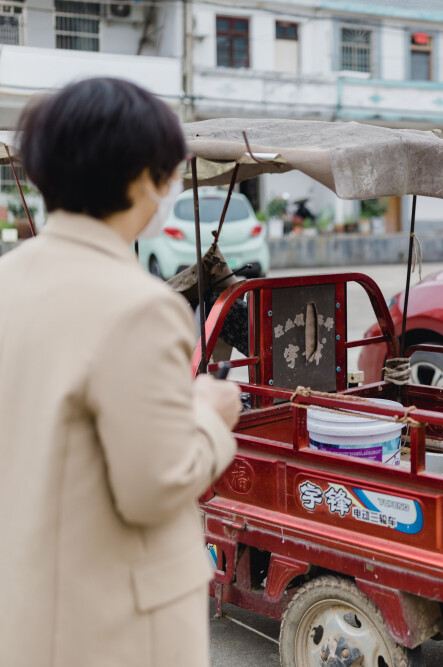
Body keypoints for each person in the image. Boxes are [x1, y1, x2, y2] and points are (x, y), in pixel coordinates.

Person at [0, 78, 241, 666]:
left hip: (29, 605)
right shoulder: (141, 308)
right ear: (143, 180)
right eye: (169, 171)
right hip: (115, 628)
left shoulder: (9, 282)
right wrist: (212, 417)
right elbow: (153, 486)